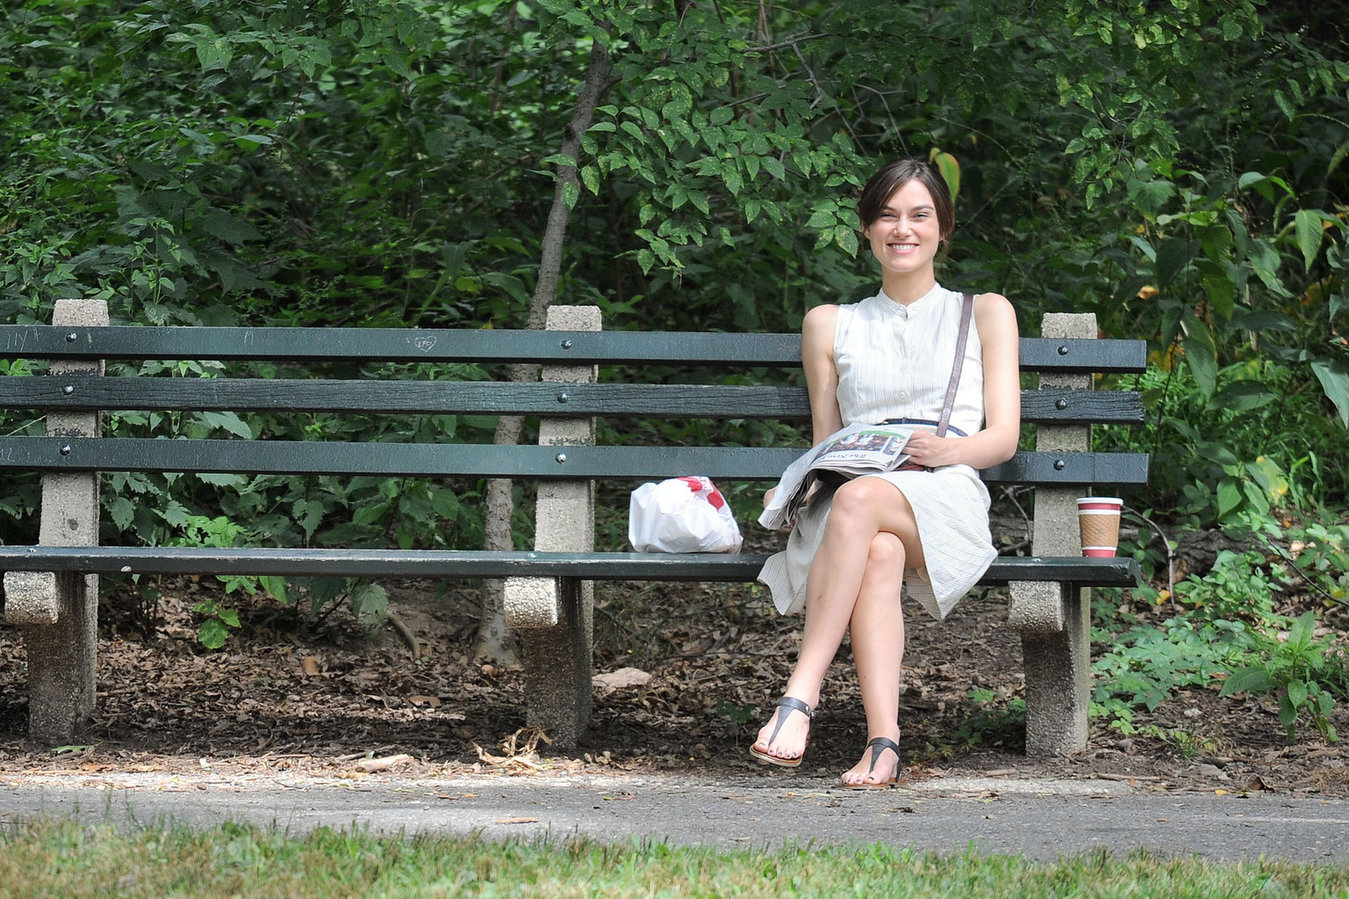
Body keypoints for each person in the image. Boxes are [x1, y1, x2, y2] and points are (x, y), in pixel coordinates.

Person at [750, 158, 1021, 788]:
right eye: (888, 215)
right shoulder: (830, 323)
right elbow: (827, 441)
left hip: (943, 490)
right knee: (874, 548)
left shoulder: (983, 312)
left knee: (862, 506)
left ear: (943, 228)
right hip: (858, 494)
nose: (904, 229)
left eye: (920, 215)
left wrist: (944, 452)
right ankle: (883, 745)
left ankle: (800, 696)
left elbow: (1003, 437)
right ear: (868, 229)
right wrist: (799, 480)